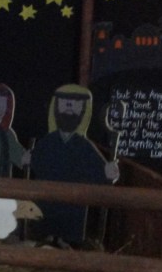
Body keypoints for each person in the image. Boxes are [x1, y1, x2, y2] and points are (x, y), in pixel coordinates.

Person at [29, 83, 118, 246]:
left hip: (73, 203)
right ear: (56, 107)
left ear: (83, 110)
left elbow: (99, 171)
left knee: (69, 232)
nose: (69, 107)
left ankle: (65, 243)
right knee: (45, 228)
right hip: (47, 198)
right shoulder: (48, 141)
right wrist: (29, 158)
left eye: (76, 104)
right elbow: (35, 162)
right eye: (64, 103)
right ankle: (47, 239)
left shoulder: (85, 146)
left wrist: (108, 173)